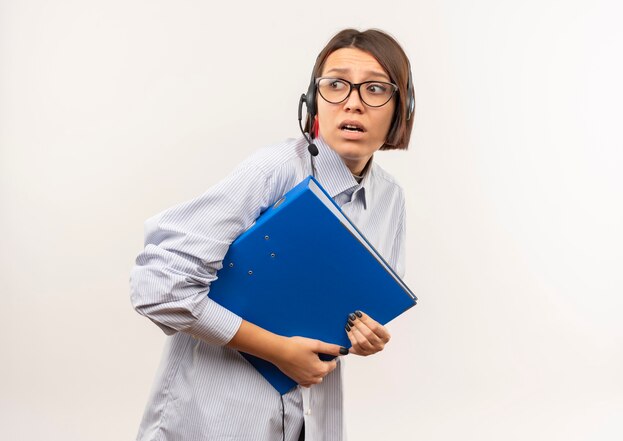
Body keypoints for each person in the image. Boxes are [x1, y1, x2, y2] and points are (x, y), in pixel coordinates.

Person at [130, 28, 415, 441]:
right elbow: (158, 285)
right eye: (335, 84)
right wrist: (279, 352)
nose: (353, 102)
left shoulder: (390, 199)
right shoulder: (273, 170)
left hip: (310, 421)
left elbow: (353, 306)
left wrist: (364, 335)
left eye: (374, 88)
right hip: (214, 420)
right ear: (313, 101)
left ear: (401, 109)